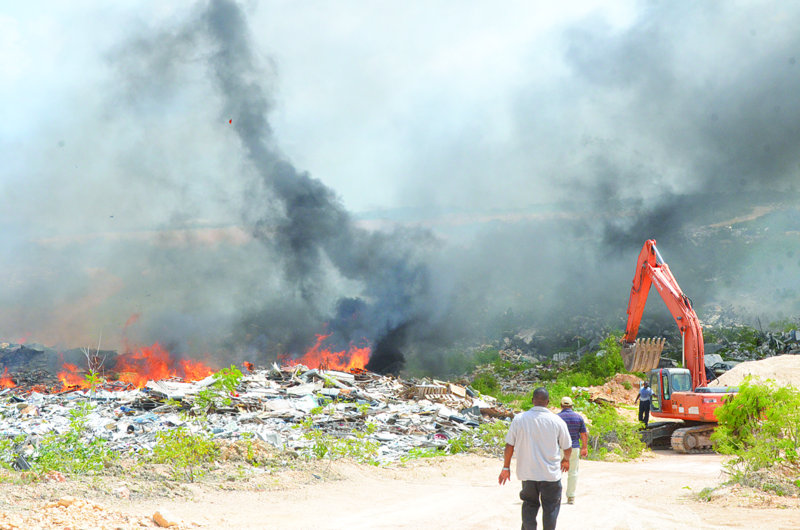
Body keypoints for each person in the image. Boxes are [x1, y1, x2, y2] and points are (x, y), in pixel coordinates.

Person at [499, 387, 572, 530]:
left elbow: (509, 445)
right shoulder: (557, 421)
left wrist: (506, 467)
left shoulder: (519, 419)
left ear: (532, 400)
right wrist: (566, 460)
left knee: (529, 506)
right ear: (548, 402)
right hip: (550, 475)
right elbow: (567, 447)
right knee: (550, 508)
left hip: (528, 474)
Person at [556, 396, 588, 505]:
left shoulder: (556, 418)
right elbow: (583, 434)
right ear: (571, 406)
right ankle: (571, 497)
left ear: (561, 405)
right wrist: (584, 447)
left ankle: (556, 496)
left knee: (557, 473)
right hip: (574, 448)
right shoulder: (578, 418)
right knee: (573, 473)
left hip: (560, 448)